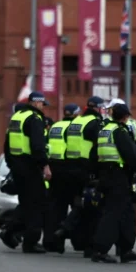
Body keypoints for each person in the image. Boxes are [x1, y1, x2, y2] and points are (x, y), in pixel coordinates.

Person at [92, 103, 136, 263]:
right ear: (125, 117)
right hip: (118, 178)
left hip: (107, 176)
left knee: (127, 213)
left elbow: (94, 154)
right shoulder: (120, 132)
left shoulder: (105, 130)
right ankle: (100, 250)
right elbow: (132, 157)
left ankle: (126, 249)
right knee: (113, 214)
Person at [0, 91, 51, 254]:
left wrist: (11, 164)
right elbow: (37, 146)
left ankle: (10, 231)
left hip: (17, 166)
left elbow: (7, 145)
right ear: (36, 103)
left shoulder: (17, 117)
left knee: (27, 202)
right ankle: (31, 242)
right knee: (37, 203)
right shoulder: (34, 119)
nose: (44, 108)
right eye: (43, 104)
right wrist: (44, 165)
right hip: (30, 167)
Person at [55, 96, 106, 256]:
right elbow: (99, 147)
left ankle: (71, 234)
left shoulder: (76, 122)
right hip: (87, 170)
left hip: (70, 169)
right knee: (92, 207)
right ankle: (77, 237)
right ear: (98, 108)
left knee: (80, 203)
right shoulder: (95, 123)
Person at [43, 103, 81, 253]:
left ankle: (52, 242)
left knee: (55, 209)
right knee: (78, 207)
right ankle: (79, 242)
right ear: (76, 114)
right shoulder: (75, 128)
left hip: (54, 170)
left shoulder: (55, 126)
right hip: (70, 170)